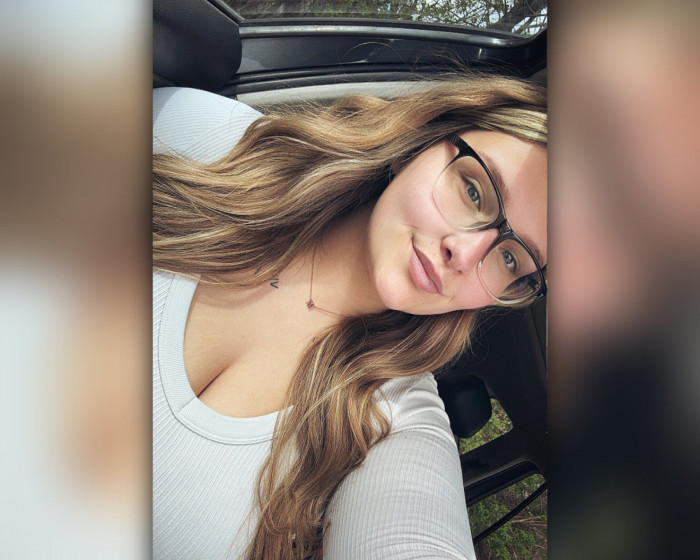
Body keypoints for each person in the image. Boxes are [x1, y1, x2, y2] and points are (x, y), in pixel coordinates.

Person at [152, 75, 547, 560]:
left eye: (510, 258)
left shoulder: (398, 420)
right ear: (421, 143)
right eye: (473, 191)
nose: (464, 254)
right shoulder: (205, 137)